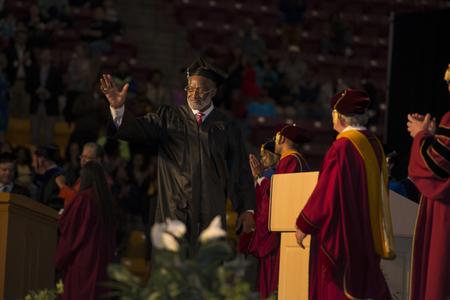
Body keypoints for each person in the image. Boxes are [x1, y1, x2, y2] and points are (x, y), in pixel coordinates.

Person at [100, 57, 256, 246]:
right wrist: (118, 109)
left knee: (206, 270)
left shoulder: (226, 126)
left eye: (201, 88)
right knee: (171, 270)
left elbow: (239, 171)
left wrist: (247, 209)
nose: (194, 94)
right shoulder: (168, 117)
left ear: (213, 92)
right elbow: (137, 129)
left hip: (210, 216)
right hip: (173, 214)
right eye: (190, 88)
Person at [295, 89, 394, 300]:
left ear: (339, 115)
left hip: (344, 236)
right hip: (368, 233)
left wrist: (304, 224)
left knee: (339, 290)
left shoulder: (342, 147)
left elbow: (326, 194)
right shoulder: (374, 144)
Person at [248, 125, 310, 299]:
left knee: (276, 285)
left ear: (281, 138)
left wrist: (260, 178)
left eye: (276, 137)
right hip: (289, 230)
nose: (275, 141)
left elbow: (278, 197)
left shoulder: (290, 161)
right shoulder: (298, 160)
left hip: (282, 233)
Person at [406, 64, 450, 300]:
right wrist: (434, 136)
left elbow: (435, 166)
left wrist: (420, 135)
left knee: (440, 277)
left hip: (446, 211)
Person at [55, 161, 115, 300]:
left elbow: (71, 233)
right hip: (102, 263)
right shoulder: (106, 201)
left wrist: (60, 259)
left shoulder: (83, 199)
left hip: (83, 262)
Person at [55, 142, 105, 208]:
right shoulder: (84, 175)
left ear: (98, 160)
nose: (83, 160)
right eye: (82, 156)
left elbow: (77, 201)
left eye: (88, 157)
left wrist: (62, 185)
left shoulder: (96, 178)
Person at [33, 145, 64, 210]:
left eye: (34, 160)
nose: (32, 164)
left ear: (41, 160)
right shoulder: (47, 177)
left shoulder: (58, 179)